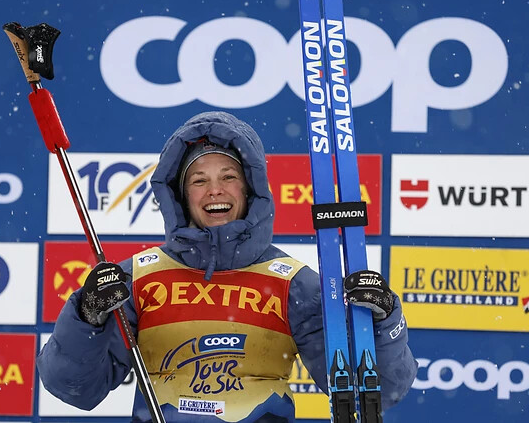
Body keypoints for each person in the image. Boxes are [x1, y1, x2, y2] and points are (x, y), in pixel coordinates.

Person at [37, 111, 417, 422]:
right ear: (181, 197)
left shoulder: (293, 284)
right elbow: (76, 389)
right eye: (199, 180)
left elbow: (371, 393)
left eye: (228, 177)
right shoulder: (137, 278)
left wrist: (383, 325)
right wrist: (86, 316)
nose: (214, 190)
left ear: (249, 189)